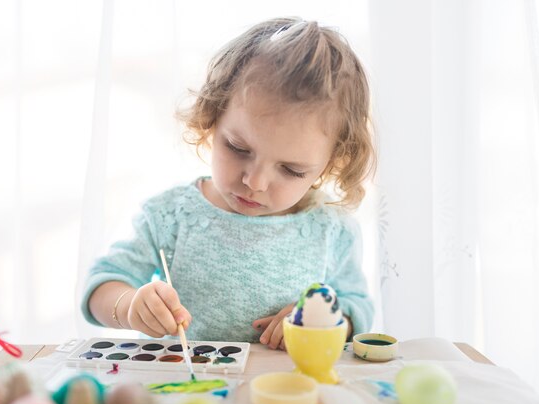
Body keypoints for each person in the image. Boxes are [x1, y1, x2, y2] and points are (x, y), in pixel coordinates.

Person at [81, 17, 375, 350]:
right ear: (212, 117)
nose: (255, 182)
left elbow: (358, 307)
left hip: (284, 396)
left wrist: (327, 319)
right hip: (184, 393)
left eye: (291, 170)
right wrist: (129, 307)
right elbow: (100, 285)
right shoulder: (170, 216)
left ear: (330, 164)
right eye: (238, 148)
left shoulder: (332, 231)